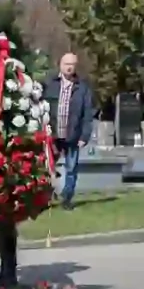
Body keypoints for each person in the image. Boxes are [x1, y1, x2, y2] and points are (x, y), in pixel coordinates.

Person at [43, 52, 95, 210]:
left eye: (72, 64)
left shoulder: (82, 88)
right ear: (60, 65)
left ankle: (67, 199)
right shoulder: (50, 84)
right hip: (53, 134)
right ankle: (45, 199)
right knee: (47, 167)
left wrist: (84, 136)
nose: (69, 67)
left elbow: (88, 114)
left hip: (73, 135)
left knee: (71, 168)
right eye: (66, 64)